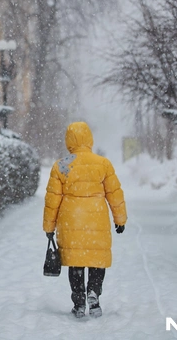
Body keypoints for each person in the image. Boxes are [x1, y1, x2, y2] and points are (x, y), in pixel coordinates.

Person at [43, 121, 127, 318]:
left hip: (71, 220)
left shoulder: (61, 165)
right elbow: (115, 194)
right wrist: (120, 220)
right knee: (96, 259)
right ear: (89, 138)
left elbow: (52, 200)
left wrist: (49, 226)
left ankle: (79, 301)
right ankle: (94, 294)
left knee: (76, 261)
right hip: (97, 220)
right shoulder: (103, 164)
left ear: (69, 140)